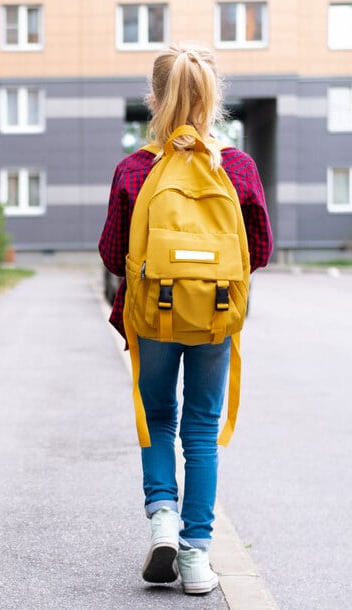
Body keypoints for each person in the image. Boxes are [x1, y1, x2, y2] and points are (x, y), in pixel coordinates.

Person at [99, 43, 272, 595]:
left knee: (157, 416)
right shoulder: (238, 167)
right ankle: (197, 555)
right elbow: (260, 251)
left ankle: (162, 521)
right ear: (215, 100)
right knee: (201, 428)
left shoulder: (134, 169)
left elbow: (110, 253)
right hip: (215, 319)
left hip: (151, 316)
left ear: (153, 99)